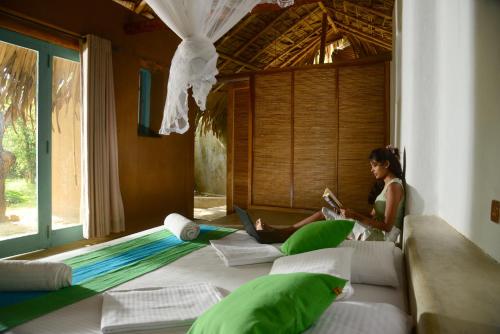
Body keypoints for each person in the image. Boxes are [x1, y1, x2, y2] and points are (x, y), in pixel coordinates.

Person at [253, 146, 405, 243]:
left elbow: (386, 226)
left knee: (324, 214)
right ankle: (282, 234)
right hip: (374, 231)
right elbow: (372, 215)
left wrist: (355, 216)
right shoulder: (387, 186)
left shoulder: (394, 187)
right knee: (329, 215)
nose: (371, 170)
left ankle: (280, 234)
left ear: (386, 164)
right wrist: (347, 211)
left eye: (374, 165)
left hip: (380, 238)